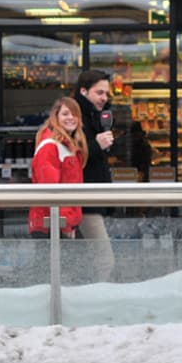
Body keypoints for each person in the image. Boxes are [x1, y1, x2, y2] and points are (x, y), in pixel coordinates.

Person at [73, 69, 115, 281]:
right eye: (99, 93)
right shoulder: (74, 117)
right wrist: (96, 145)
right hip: (84, 198)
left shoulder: (95, 116)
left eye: (106, 93)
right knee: (104, 258)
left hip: (92, 196)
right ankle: (100, 299)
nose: (104, 98)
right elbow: (71, 156)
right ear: (83, 91)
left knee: (86, 257)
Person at [28, 96, 88, 239]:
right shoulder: (50, 146)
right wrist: (65, 225)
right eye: (65, 114)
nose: (71, 118)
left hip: (60, 222)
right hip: (52, 224)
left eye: (74, 114)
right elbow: (50, 190)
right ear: (55, 117)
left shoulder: (67, 145)